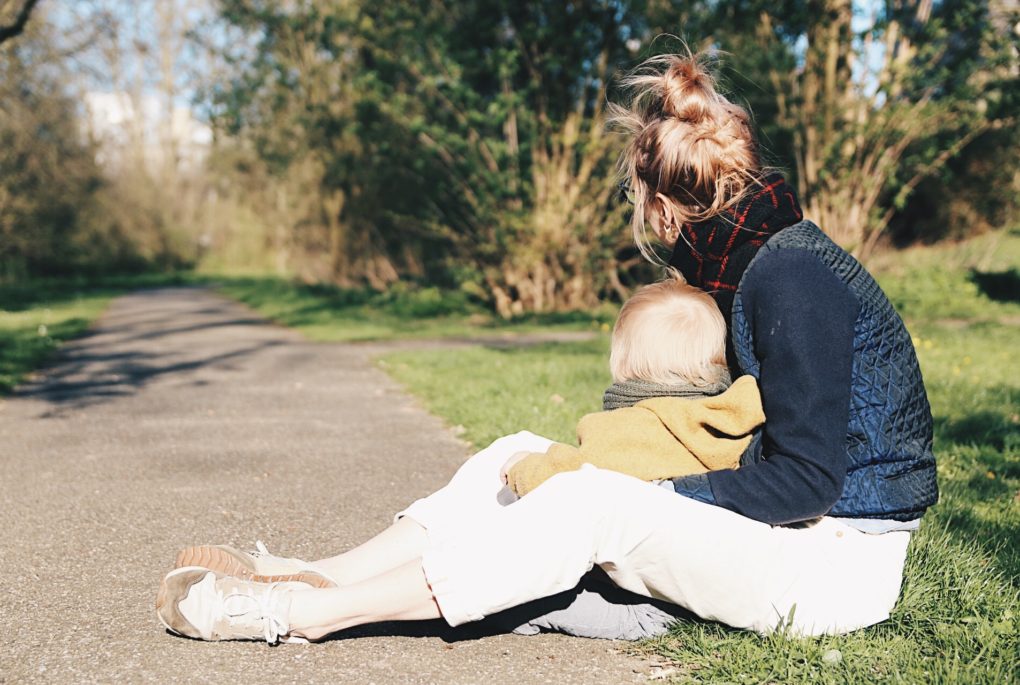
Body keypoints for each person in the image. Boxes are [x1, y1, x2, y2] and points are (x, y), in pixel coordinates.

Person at [156, 50, 937, 644]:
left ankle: (300, 613)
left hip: (837, 566)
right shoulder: (758, 264)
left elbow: (807, 480)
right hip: (796, 541)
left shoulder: (791, 276)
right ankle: (317, 572)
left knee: (587, 498)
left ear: (667, 208)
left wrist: (653, 493)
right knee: (515, 453)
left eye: (644, 206)